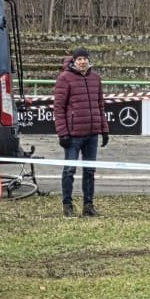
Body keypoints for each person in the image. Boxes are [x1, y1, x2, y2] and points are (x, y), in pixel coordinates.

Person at [54, 45, 109, 217]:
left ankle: (88, 205)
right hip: (73, 135)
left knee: (89, 171)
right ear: (74, 61)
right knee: (69, 170)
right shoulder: (64, 78)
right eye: (79, 59)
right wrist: (62, 133)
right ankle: (67, 205)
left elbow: (100, 105)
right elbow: (59, 108)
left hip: (92, 134)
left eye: (85, 58)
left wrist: (104, 129)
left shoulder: (95, 78)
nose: (83, 62)